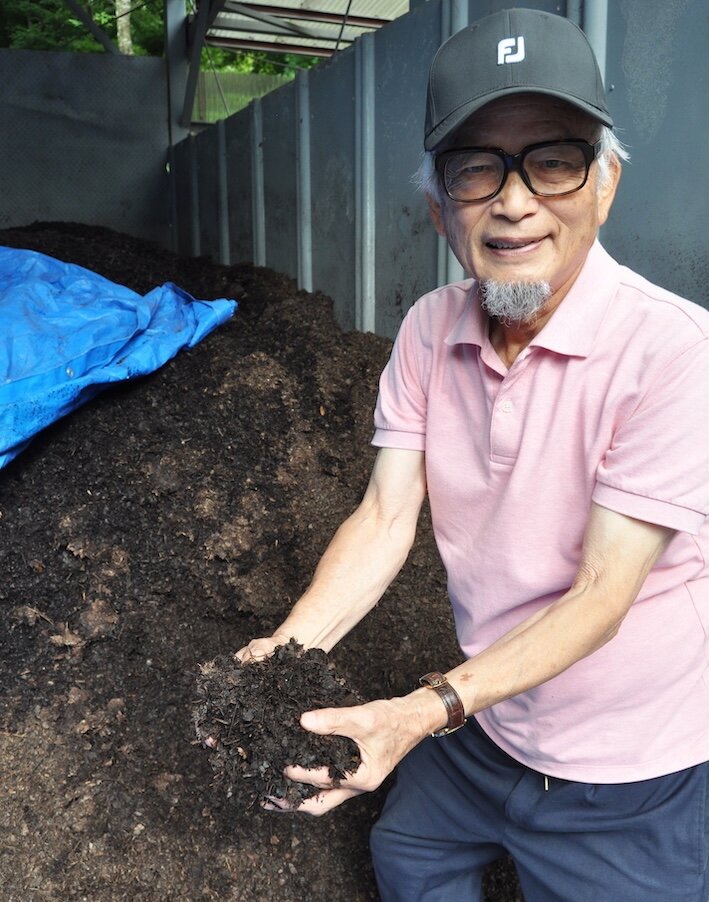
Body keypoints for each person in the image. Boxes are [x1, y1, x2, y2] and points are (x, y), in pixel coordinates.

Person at [237, 8, 709, 900]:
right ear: (437, 206)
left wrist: (418, 713)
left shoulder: (675, 353)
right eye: (475, 168)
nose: (514, 201)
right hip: (490, 722)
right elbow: (385, 516)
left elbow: (600, 596)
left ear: (605, 184)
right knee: (410, 855)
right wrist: (285, 652)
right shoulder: (428, 328)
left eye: (554, 161)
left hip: (629, 765)